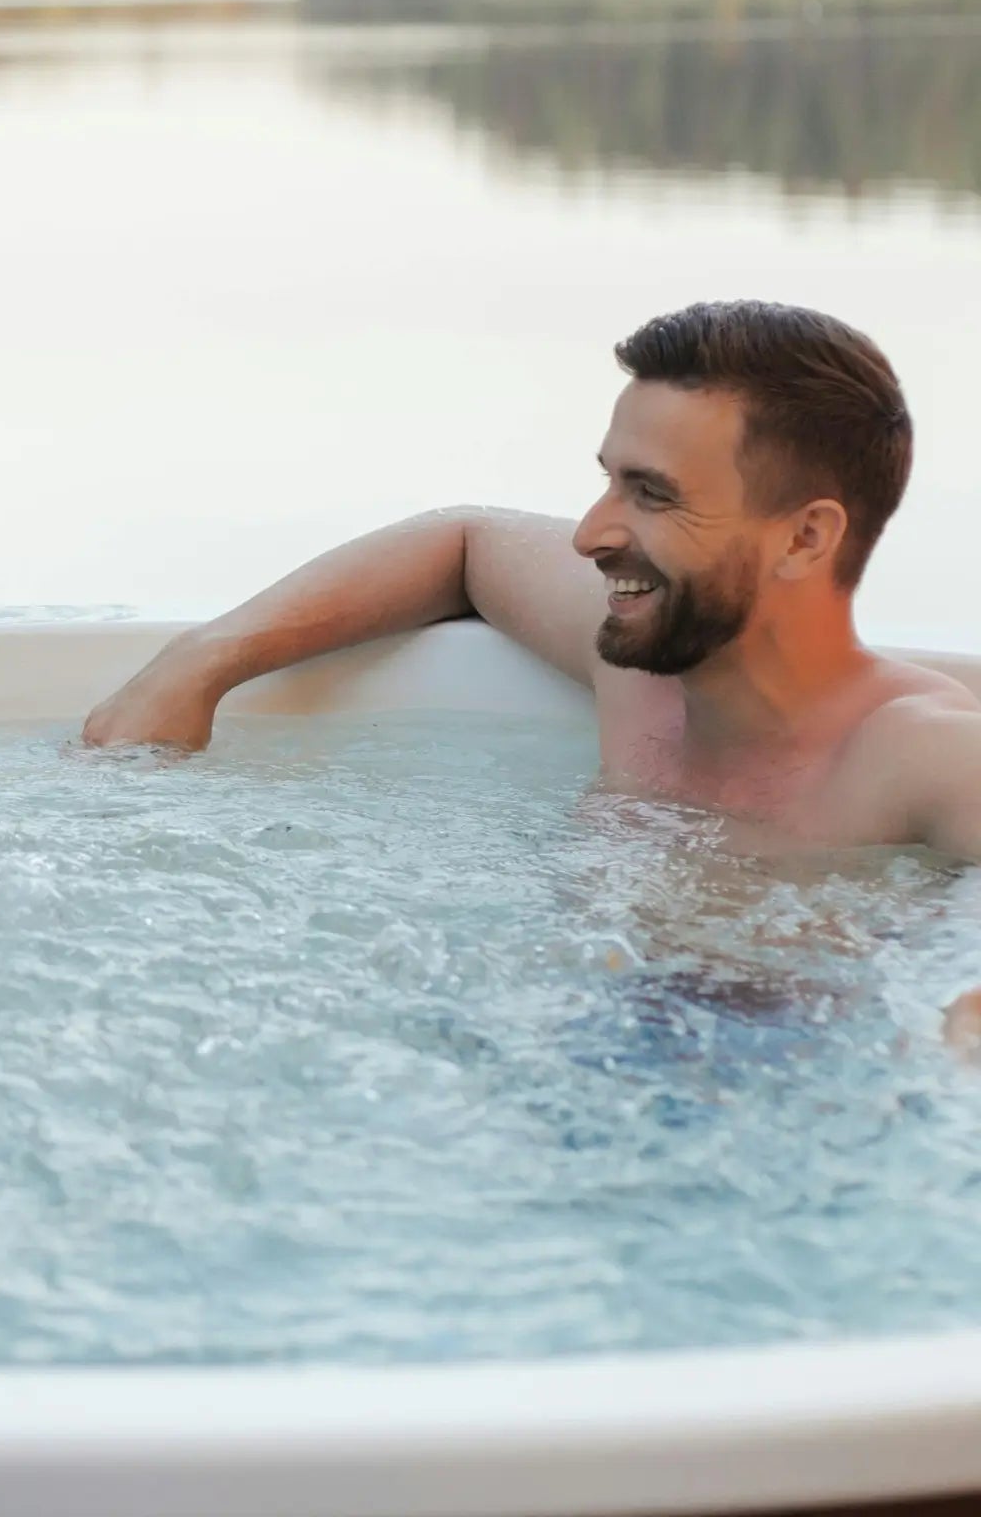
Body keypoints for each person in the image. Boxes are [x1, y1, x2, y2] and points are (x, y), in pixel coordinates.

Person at [79, 300, 981, 1039]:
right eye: (610, 480)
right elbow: (465, 542)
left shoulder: (916, 752)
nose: (591, 533)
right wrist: (196, 665)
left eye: (653, 494)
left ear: (806, 537)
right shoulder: (646, 671)